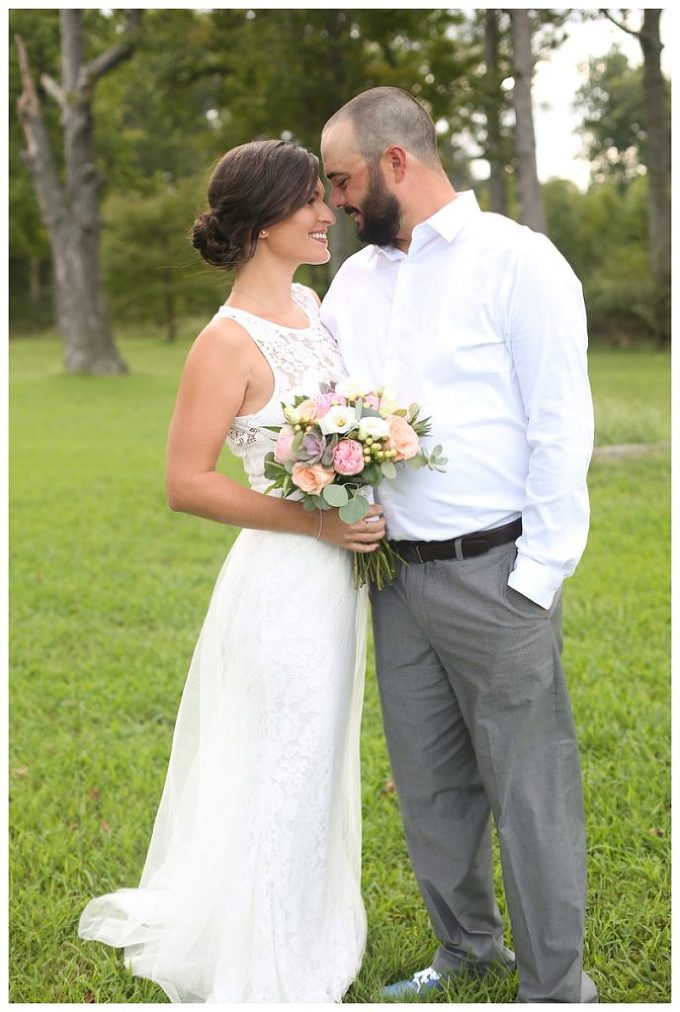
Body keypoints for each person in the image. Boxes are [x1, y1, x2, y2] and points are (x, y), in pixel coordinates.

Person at [78, 139, 386, 1003]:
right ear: (261, 224)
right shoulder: (224, 342)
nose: (328, 213)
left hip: (335, 580)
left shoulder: (314, 305)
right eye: (310, 203)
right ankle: (271, 961)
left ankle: (308, 921)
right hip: (283, 582)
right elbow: (186, 483)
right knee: (284, 758)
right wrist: (316, 522)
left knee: (317, 752)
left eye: (328, 199)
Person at [320, 87, 597, 1004]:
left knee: (530, 792)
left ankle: (556, 986)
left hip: (498, 576)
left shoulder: (519, 261)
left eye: (344, 181)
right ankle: (465, 949)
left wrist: (537, 577)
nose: (336, 203)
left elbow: (562, 425)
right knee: (433, 788)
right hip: (395, 579)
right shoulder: (354, 281)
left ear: (396, 162)